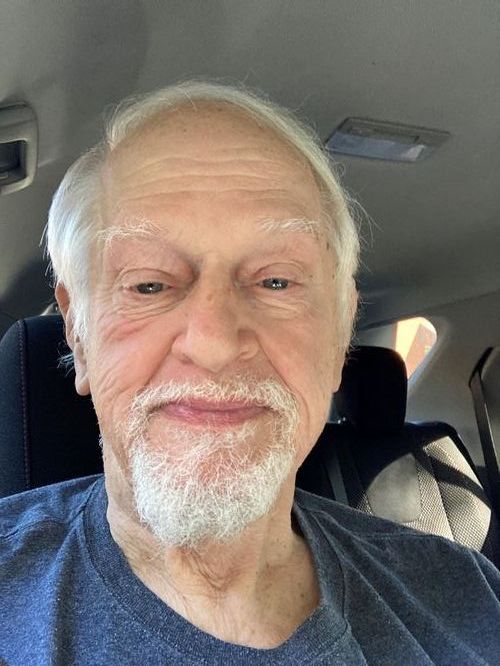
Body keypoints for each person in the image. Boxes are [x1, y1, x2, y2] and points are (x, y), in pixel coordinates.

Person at [0, 80, 499, 666]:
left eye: (276, 282)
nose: (214, 344)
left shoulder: (468, 595)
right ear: (78, 335)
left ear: (341, 331)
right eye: (149, 285)